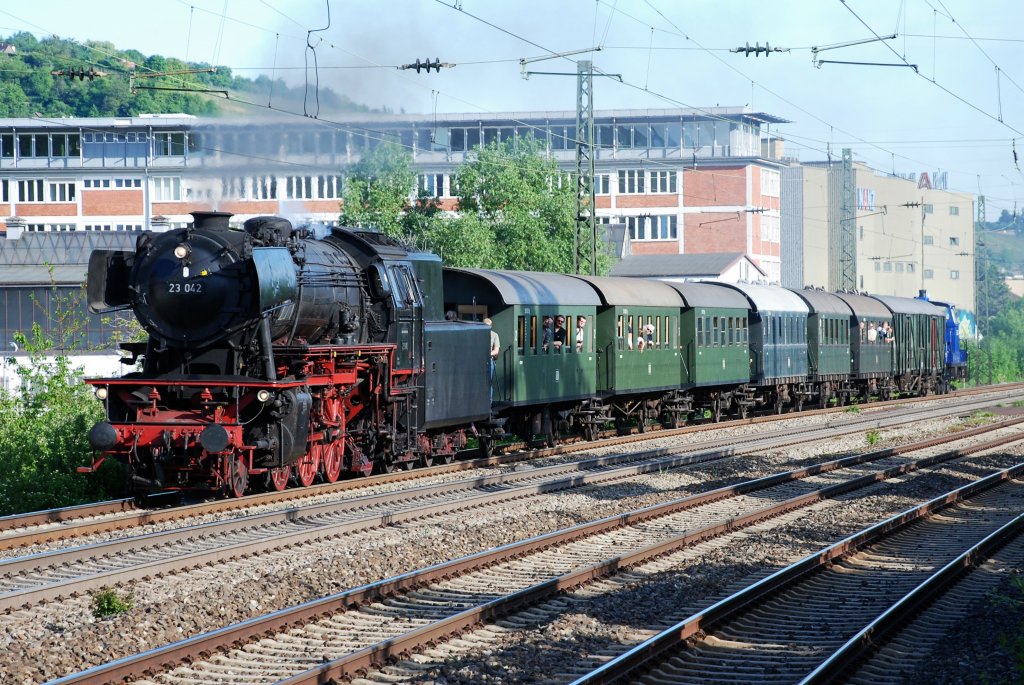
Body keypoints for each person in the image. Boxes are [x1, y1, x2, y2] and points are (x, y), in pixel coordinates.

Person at [484, 318, 499, 403]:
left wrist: (487, 354)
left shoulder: (494, 335)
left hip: (489, 361)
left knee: (488, 382)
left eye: (489, 326)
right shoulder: (478, 335)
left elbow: (496, 350)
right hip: (479, 361)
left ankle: (489, 402)